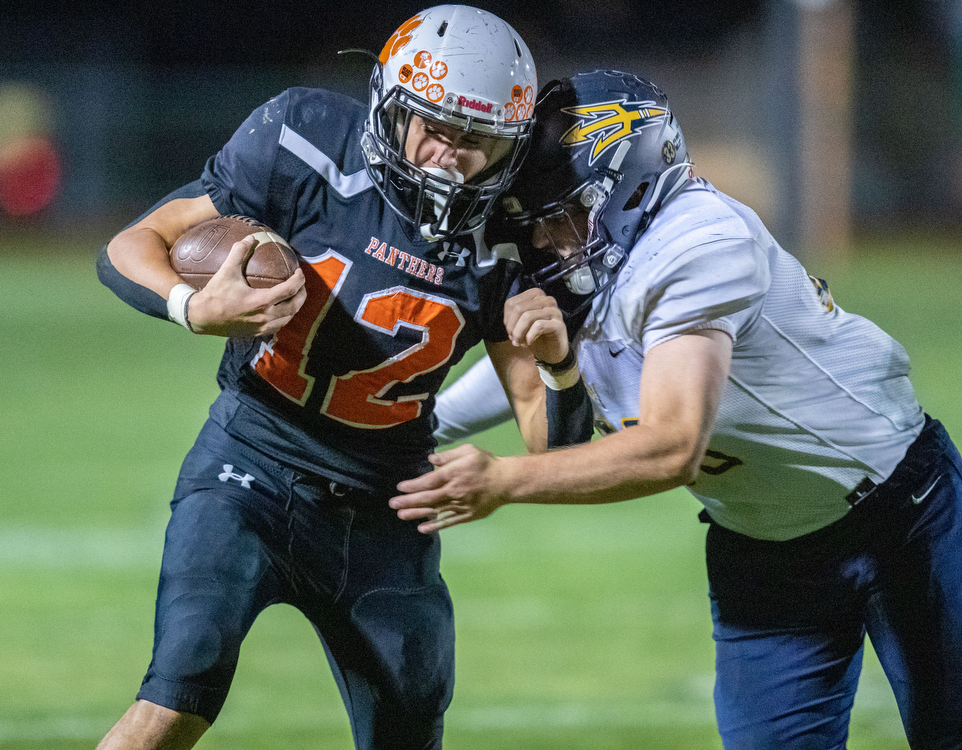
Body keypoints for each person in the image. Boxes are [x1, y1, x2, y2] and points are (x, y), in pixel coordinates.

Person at [398, 70, 962, 748]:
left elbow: (671, 445)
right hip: (761, 552)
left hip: (904, 520)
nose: (546, 240)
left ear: (630, 185)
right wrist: (416, 418)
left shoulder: (700, 240)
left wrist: (503, 481)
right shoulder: (594, 262)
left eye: (563, 214)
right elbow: (583, 363)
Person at [94, 7, 546, 749]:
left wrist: (556, 359)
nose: (449, 156)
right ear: (393, 109)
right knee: (178, 694)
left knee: (408, 734)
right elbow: (132, 242)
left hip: (384, 507)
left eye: (478, 140)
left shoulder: (514, 233)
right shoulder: (304, 140)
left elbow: (542, 425)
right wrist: (193, 306)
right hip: (252, 464)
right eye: (435, 127)